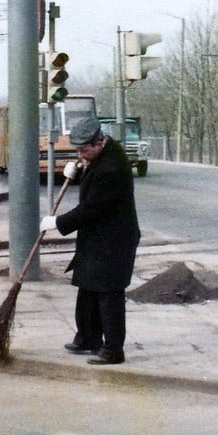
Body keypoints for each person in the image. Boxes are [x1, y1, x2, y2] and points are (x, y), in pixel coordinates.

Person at [39, 116, 140, 366]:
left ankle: (113, 350)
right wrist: (80, 171)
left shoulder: (111, 169)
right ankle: (87, 338)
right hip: (98, 237)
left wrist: (58, 223)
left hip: (114, 240)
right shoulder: (103, 154)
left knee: (108, 294)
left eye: (84, 151)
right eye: (78, 151)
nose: (80, 155)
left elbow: (91, 208)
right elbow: (91, 179)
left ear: (99, 143)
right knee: (87, 289)